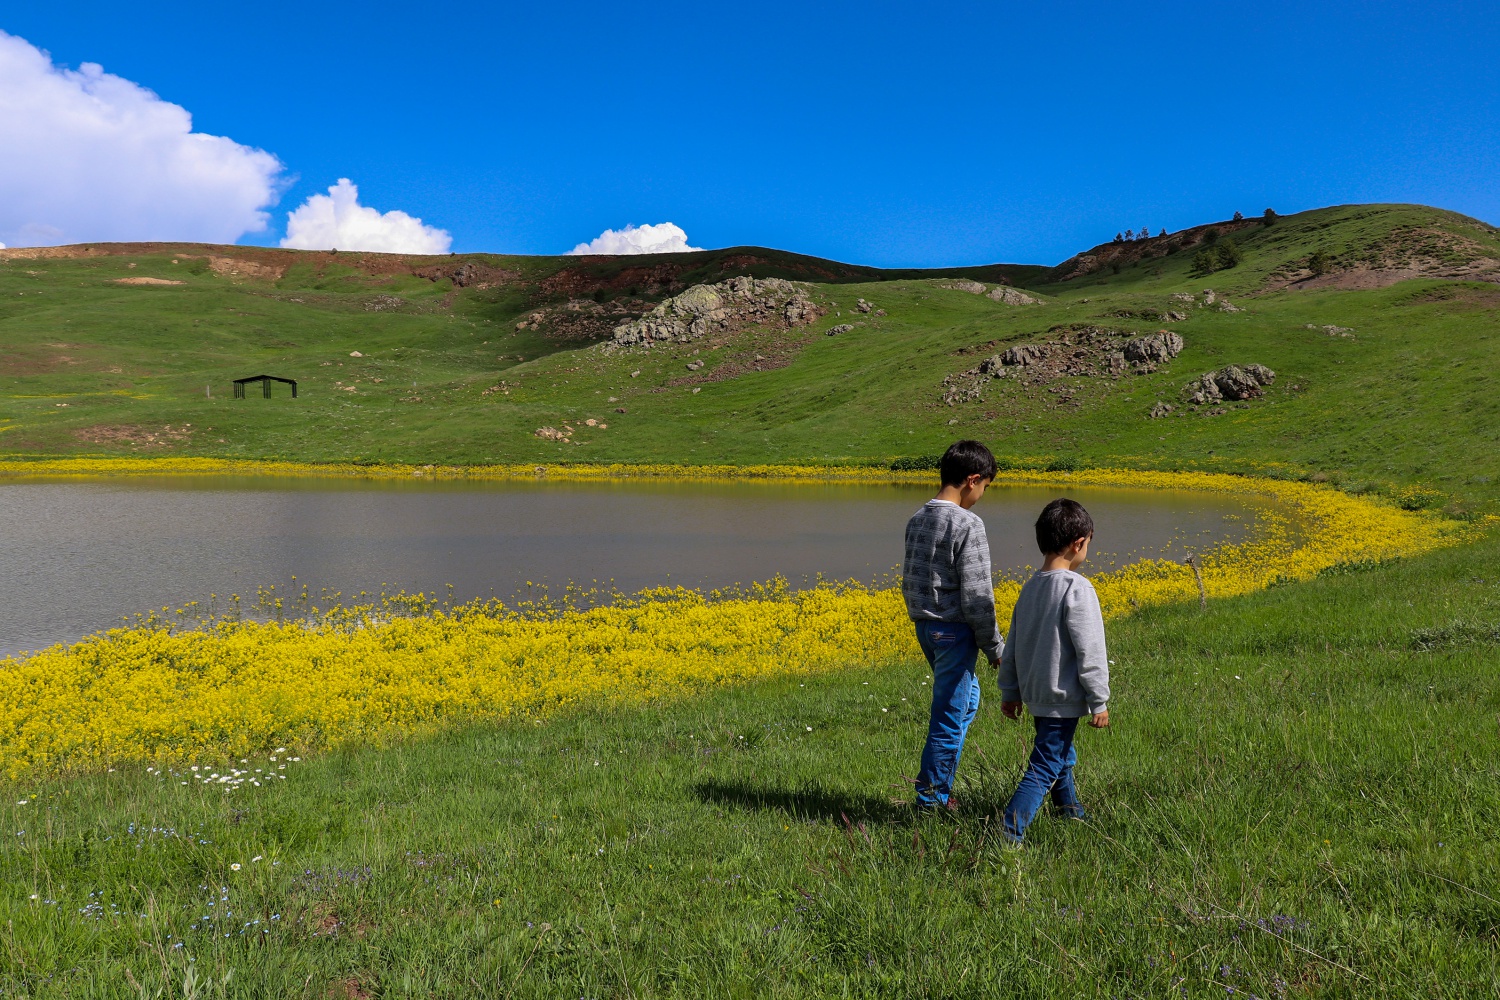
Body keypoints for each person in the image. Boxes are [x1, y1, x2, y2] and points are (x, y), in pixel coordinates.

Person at [997, 497, 1110, 843]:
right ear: (1079, 543)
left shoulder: (1030, 588)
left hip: (1037, 693)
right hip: (1062, 695)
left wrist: (1010, 690)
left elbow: (1013, 645)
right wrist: (1099, 699)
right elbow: (1090, 649)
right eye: (1089, 544)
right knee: (1046, 761)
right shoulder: (1078, 588)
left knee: (1059, 751)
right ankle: (1008, 832)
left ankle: (1070, 810)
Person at [901, 440, 1003, 810]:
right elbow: (978, 595)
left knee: (967, 702)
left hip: (926, 629)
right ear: (972, 480)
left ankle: (932, 782)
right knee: (948, 716)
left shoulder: (918, 518)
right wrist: (994, 647)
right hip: (954, 632)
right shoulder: (968, 524)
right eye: (985, 488)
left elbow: (910, 579)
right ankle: (932, 799)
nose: (981, 497)